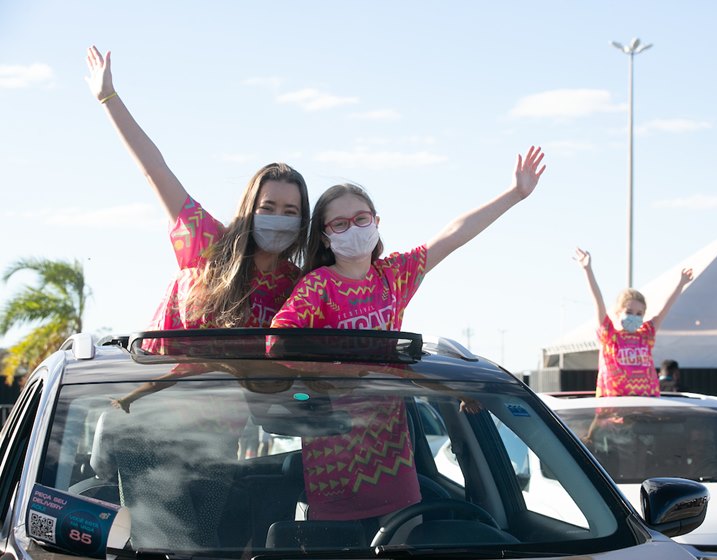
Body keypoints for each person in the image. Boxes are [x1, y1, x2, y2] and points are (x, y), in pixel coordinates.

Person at [270, 146, 546, 523]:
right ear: (325, 235)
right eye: (340, 224)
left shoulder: (393, 276)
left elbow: (453, 234)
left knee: (402, 537)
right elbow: (278, 342)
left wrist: (514, 194)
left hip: (393, 450)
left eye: (361, 218)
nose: (352, 228)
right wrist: (339, 373)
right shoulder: (317, 286)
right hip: (333, 454)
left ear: (376, 221)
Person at [85, 45, 310, 345]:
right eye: (268, 207)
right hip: (172, 385)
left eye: (289, 211)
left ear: (303, 221)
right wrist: (108, 99)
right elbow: (156, 171)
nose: (278, 218)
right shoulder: (210, 242)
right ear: (249, 209)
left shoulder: (299, 286)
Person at [574, 248, 693, 397]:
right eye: (629, 312)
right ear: (618, 313)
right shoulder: (610, 337)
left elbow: (665, 308)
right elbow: (598, 302)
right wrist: (588, 270)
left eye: (639, 314)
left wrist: (681, 283)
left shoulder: (646, 335)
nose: (634, 316)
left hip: (646, 404)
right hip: (614, 407)